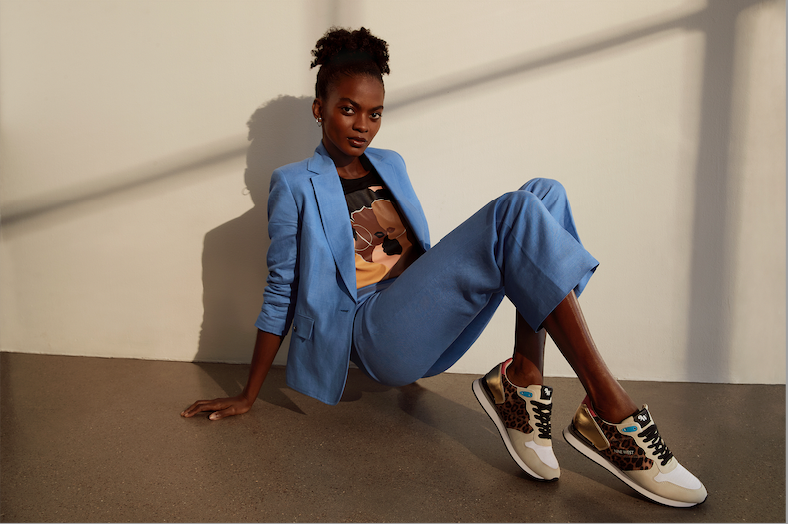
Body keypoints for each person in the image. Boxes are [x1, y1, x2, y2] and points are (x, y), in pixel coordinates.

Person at [182, 27, 707, 508]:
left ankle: (523, 383)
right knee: (515, 211)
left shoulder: (391, 164)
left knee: (544, 194)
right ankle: (610, 411)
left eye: (375, 113)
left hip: (421, 311)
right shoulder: (294, 183)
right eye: (348, 110)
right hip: (372, 330)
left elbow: (418, 253)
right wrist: (248, 393)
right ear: (319, 110)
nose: (363, 126)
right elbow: (282, 287)